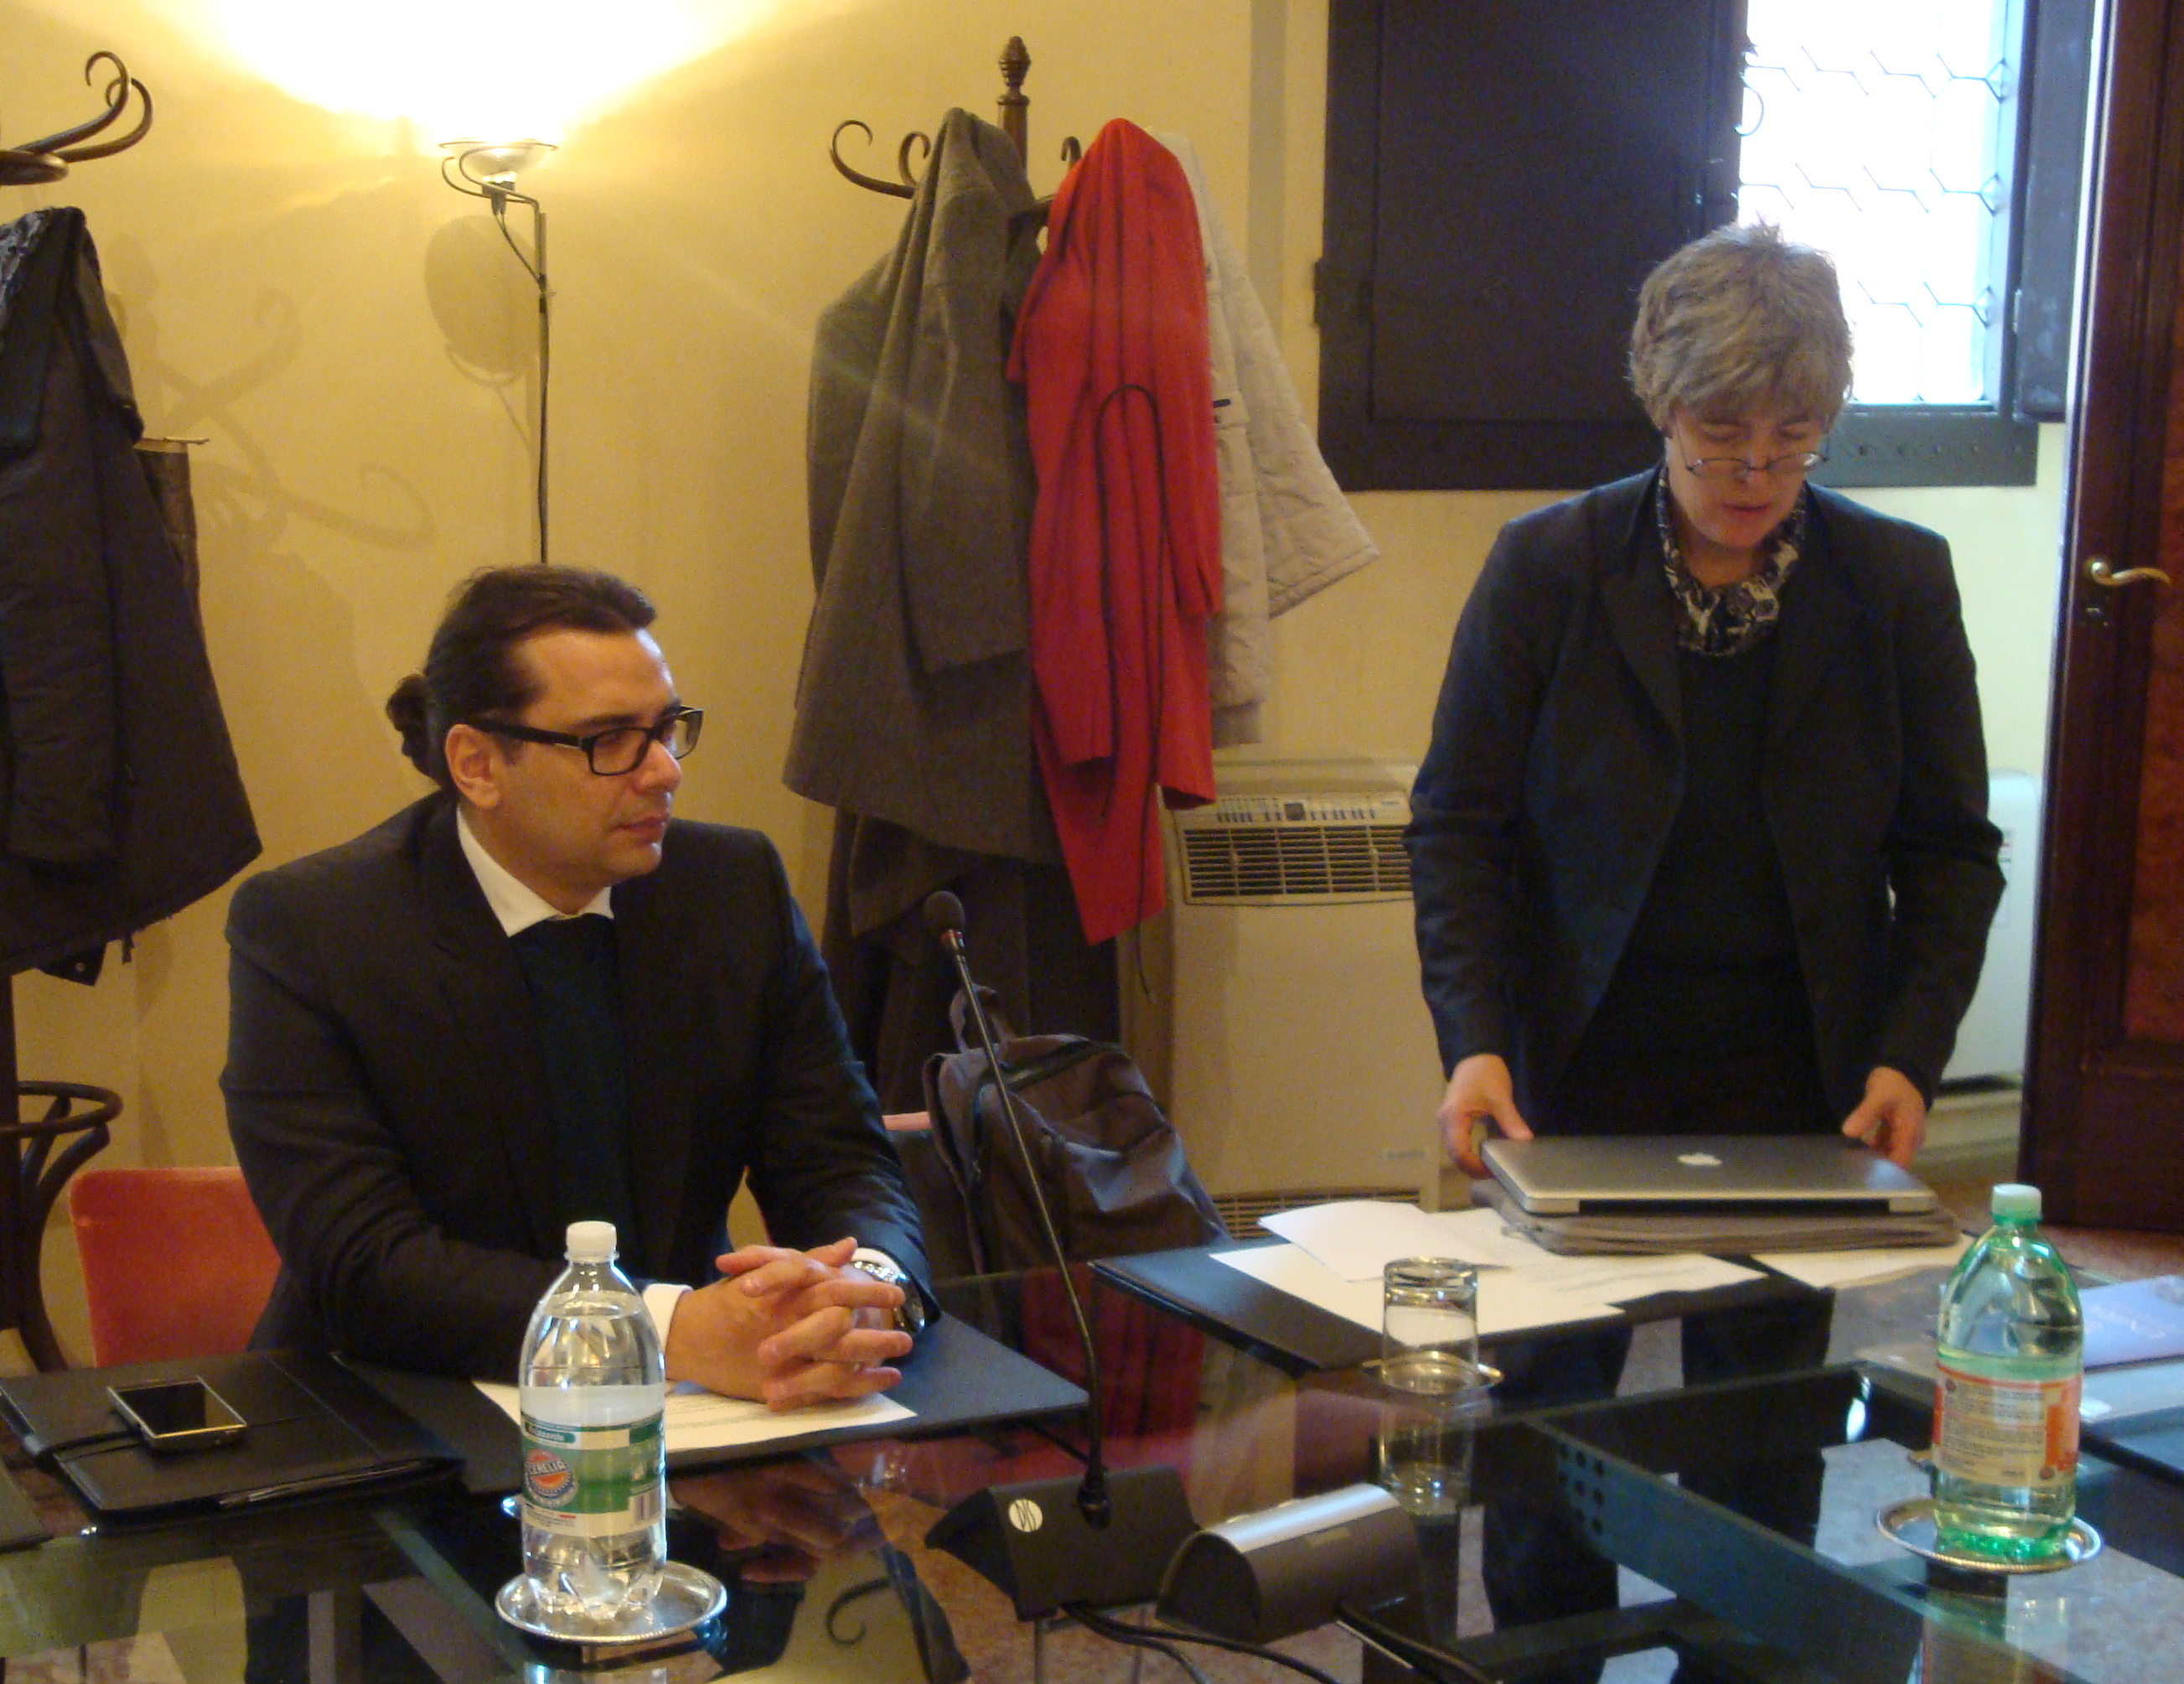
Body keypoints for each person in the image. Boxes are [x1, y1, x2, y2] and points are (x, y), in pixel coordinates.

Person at [1406, 222, 2004, 1670]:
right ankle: (1551, 1658)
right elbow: (1459, 825)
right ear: (1658, 407)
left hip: (1798, 1061)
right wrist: (1472, 1040)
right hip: (1576, 1057)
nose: (1754, 476)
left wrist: (1906, 1053)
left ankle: (1742, 1661)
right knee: (1553, 1410)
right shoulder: (1547, 565)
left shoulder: (1894, 579)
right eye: (1719, 440)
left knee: (1761, 1421)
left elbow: (1947, 850)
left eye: (1791, 443)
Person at [224, 567, 929, 1409]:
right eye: (610, 740)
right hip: (401, 1404)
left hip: (696, 1411)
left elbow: (837, 1158)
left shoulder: (731, 888)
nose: (662, 770)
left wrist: (864, 1288)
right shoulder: (314, 927)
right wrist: (661, 1328)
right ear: (478, 765)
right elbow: (363, 1263)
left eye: (666, 728)